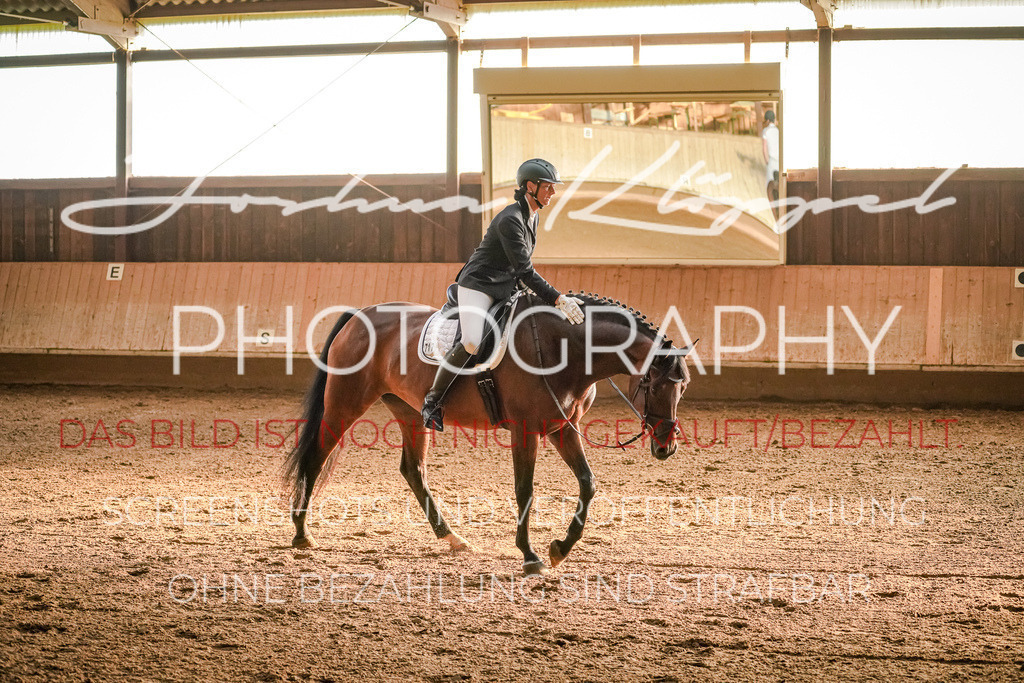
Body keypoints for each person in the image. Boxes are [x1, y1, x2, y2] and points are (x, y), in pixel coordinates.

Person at [420, 158, 585, 431]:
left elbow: (516, 268)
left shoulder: (532, 217)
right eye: (548, 187)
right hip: (479, 285)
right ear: (530, 186)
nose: (553, 193)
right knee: (472, 341)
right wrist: (558, 299)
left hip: (505, 286)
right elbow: (525, 270)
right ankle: (432, 402)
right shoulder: (510, 219)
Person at [761, 109, 780, 219]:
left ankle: (774, 217)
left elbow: (764, 148)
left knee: (769, 190)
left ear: (767, 120)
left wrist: (767, 162)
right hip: (780, 163)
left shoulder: (765, 131)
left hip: (772, 162)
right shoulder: (778, 131)